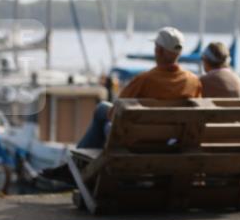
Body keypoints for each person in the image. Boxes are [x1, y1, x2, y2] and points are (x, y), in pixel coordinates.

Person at [39, 27, 201, 184]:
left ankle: (74, 166)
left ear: (158, 51)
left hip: (137, 143)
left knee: (103, 111)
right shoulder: (193, 81)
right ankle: (74, 166)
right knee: (104, 111)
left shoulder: (145, 80)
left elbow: (116, 112)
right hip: (170, 143)